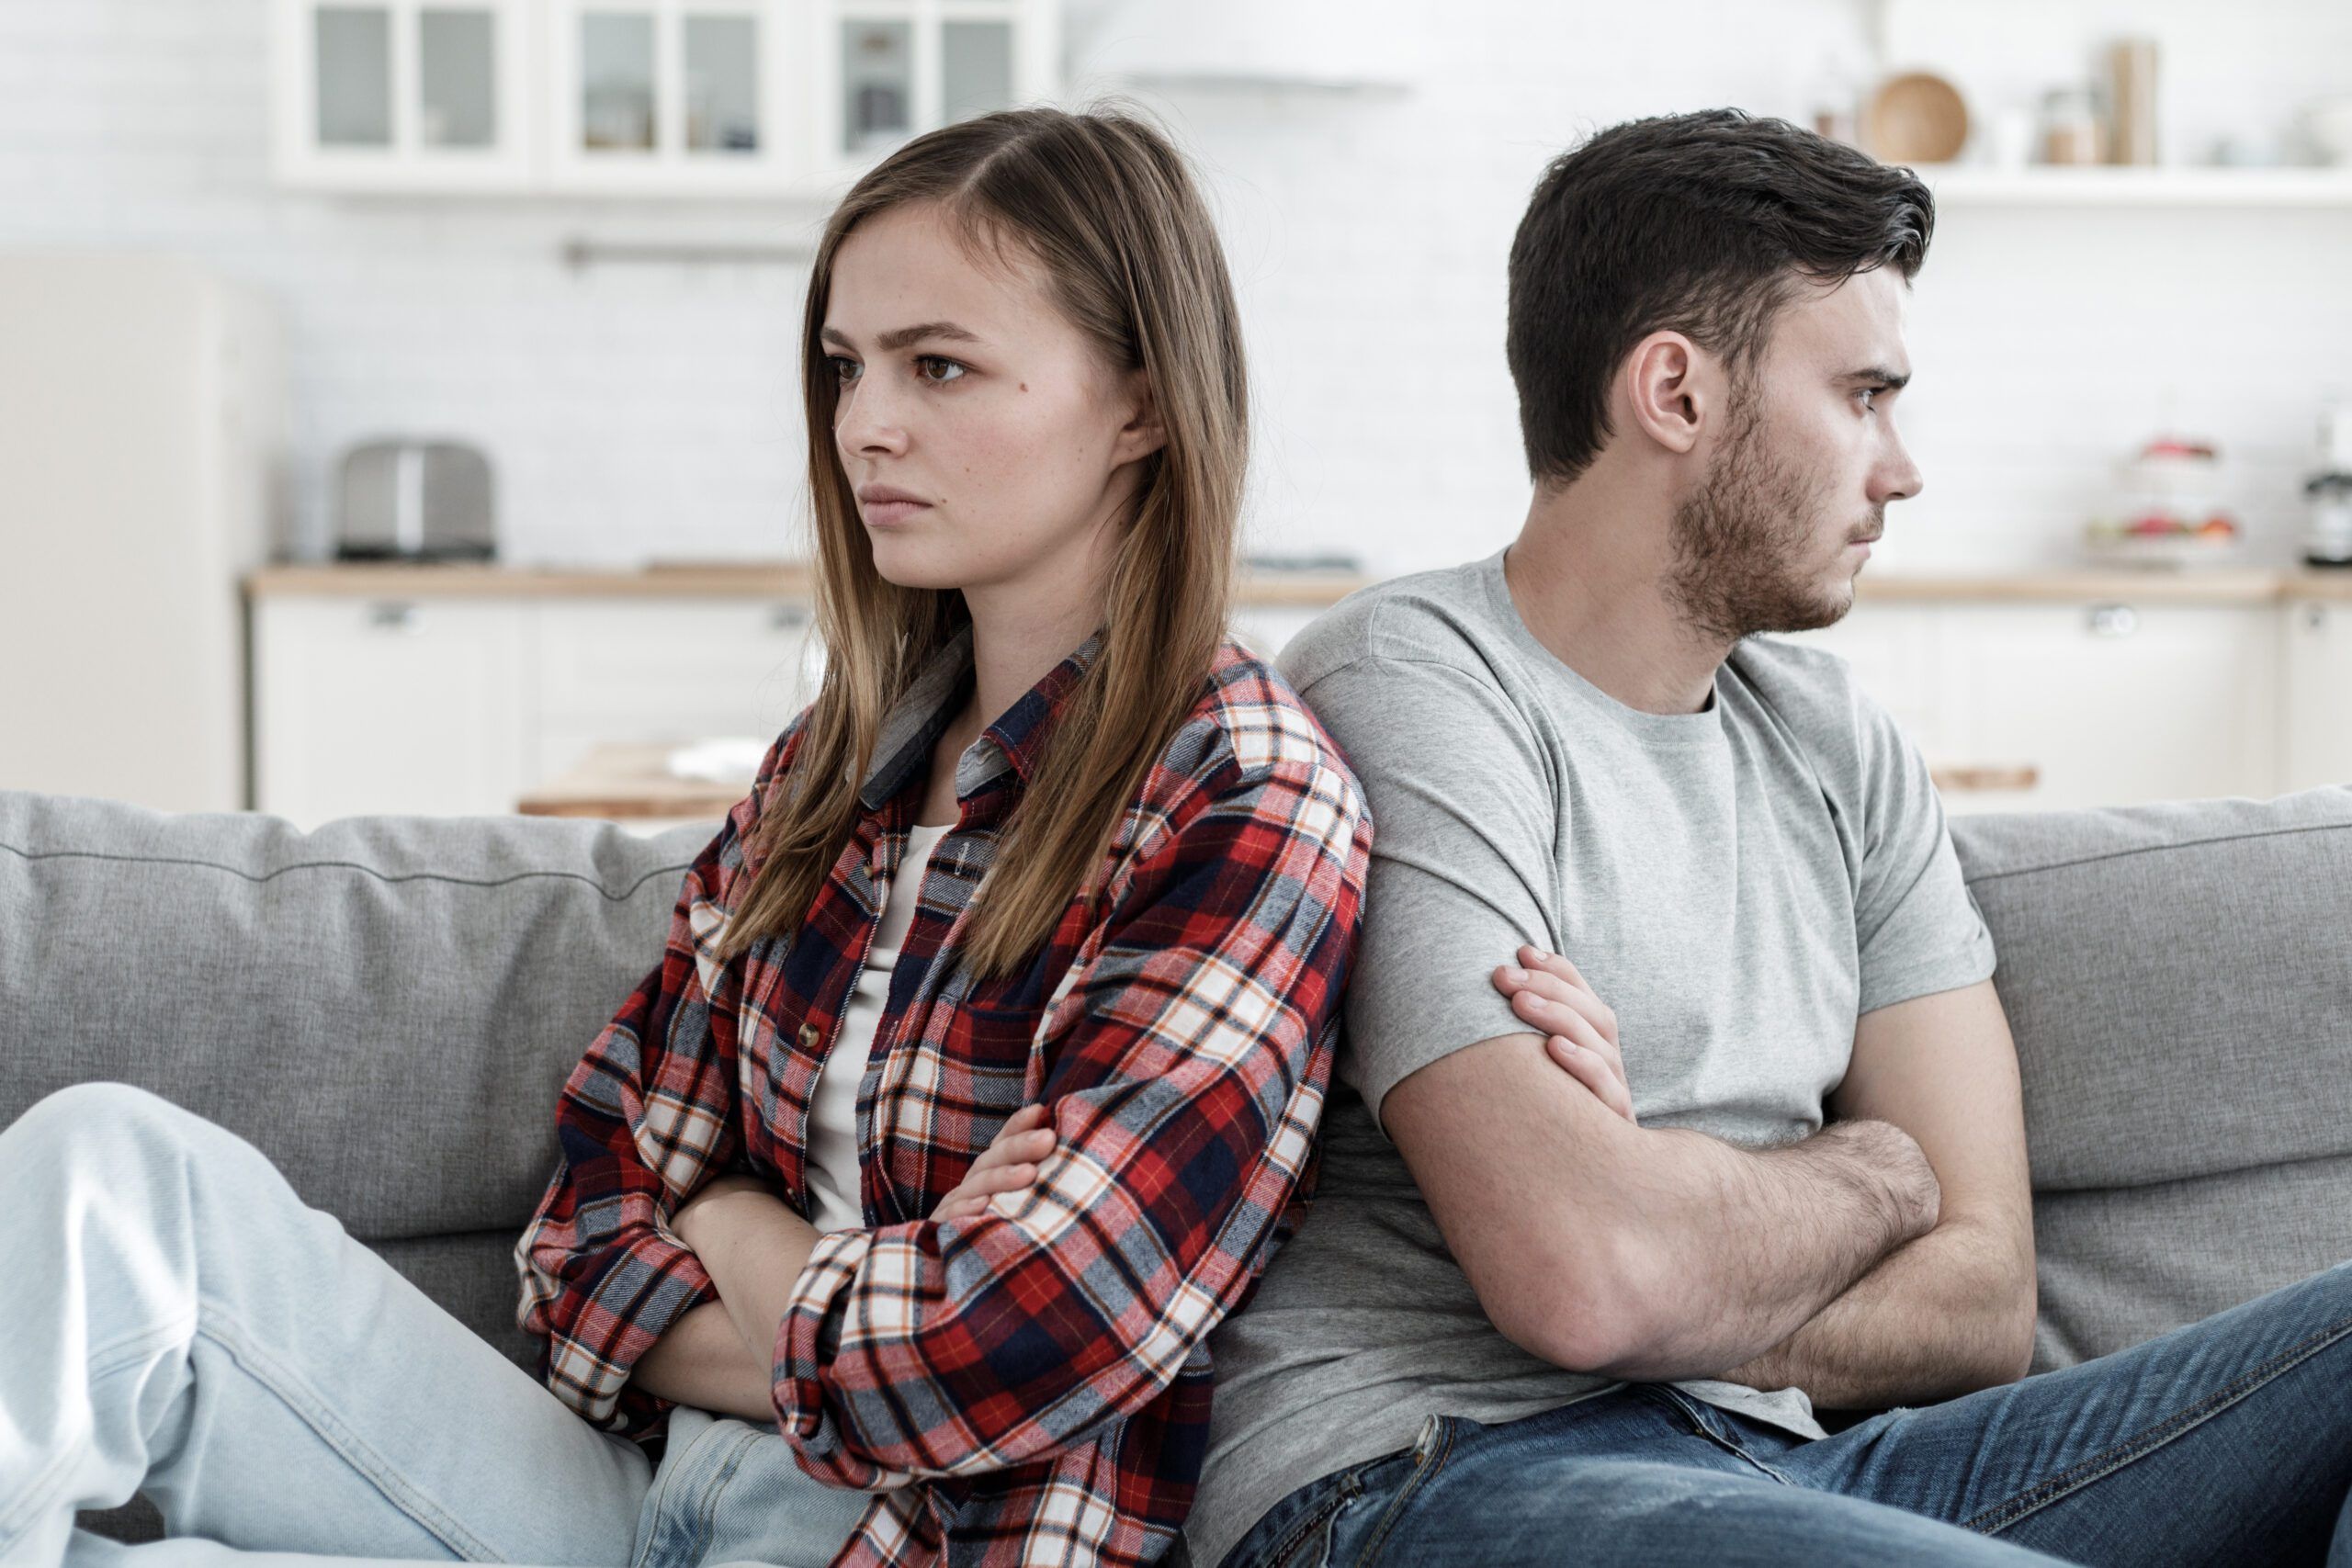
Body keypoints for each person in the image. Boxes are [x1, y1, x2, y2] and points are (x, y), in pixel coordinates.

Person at [1, 105, 1368, 1568]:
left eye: (941, 366)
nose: (865, 426)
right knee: (107, 1171)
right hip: (636, 1495)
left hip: (896, 1545)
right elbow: (577, 1237)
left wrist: (730, 1221)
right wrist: (847, 1280)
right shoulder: (830, 773)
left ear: (1143, 405)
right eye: (847, 368)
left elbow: (1010, 1352)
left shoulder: (1242, 798)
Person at [1181, 107, 2352, 1568]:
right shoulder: (1411, 683)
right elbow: (1586, 1280)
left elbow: (1984, 1300)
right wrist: (1876, 1177)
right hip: (1434, 1460)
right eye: (1862, 394)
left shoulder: (1838, 745)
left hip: (1805, 1459)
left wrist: (1670, 1215)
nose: (1901, 466)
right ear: (1675, 390)